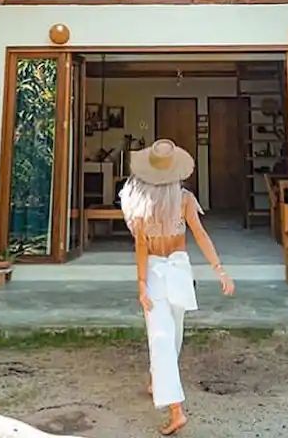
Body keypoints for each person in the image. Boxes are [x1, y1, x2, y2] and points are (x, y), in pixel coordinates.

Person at [120, 138, 235, 435]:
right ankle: (158, 382)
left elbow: (142, 249)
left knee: (162, 337)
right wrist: (219, 270)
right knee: (171, 336)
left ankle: (176, 409)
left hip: (161, 271)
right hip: (179, 269)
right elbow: (201, 235)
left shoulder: (142, 202)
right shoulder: (183, 199)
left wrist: (142, 284)